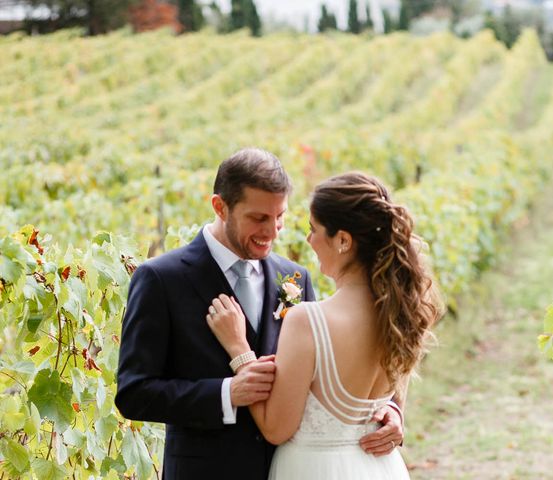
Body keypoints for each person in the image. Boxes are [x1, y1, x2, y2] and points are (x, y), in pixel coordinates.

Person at [115, 149, 404, 479]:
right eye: (259, 218)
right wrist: (226, 394)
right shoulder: (161, 279)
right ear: (220, 207)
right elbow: (134, 393)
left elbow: (330, 372)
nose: (273, 231)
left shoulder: (294, 277)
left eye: (279, 216)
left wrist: (387, 410)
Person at [207, 172, 443, 479]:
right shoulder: (400, 314)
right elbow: (393, 400)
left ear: (343, 240)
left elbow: (276, 429)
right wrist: (396, 412)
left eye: (313, 229)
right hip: (380, 468)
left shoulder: (308, 320)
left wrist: (239, 349)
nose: (308, 240)